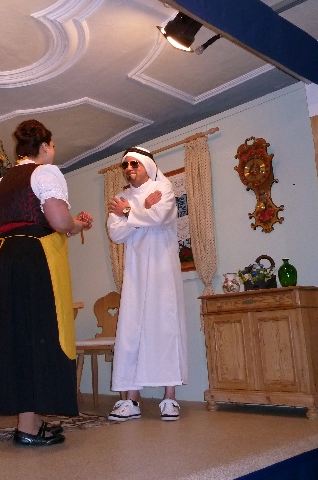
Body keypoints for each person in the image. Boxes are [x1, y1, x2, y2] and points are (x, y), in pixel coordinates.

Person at [0, 119, 93, 447]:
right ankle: (27, 428)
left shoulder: (2, 181)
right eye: (52, 145)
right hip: (34, 258)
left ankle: (30, 421)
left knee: (15, 337)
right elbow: (58, 220)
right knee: (39, 334)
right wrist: (77, 225)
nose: (53, 151)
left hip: (4, 259)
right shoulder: (46, 172)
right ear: (43, 147)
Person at [106, 147, 187, 422]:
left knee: (166, 326)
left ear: (147, 166)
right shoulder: (122, 198)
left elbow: (161, 218)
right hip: (135, 271)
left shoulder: (163, 188)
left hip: (163, 269)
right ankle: (131, 400)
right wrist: (142, 210)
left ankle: (170, 398)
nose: (129, 169)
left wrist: (129, 213)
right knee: (131, 330)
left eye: (134, 164)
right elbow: (116, 233)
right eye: (125, 165)